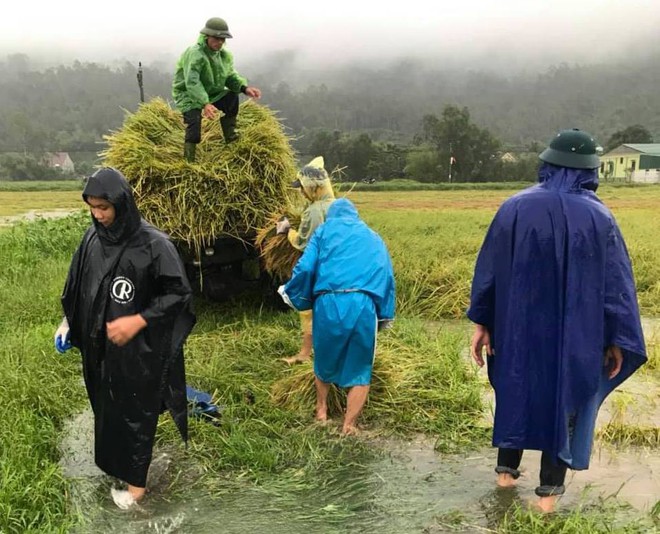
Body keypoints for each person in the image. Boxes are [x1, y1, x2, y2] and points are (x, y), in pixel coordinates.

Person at [467, 128, 647, 513]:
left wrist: (482, 322)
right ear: (590, 171)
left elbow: (489, 272)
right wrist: (618, 338)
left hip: (516, 330)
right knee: (566, 400)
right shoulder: (601, 218)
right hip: (578, 336)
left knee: (515, 389)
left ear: (546, 164)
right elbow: (616, 287)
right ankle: (547, 503)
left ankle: (503, 482)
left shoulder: (512, 208)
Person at [54, 167, 195, 509]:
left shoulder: (153, 245)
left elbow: (178, 294)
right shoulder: (92, 239)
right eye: (92, 207)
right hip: (99, 348)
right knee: (106, 407)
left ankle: (137, 492)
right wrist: (67, 322)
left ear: (122, 203)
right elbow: (78, 287)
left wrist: (139, 320)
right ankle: (116, 467)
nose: (98, 215)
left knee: (135, 411)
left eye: (104, 207)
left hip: (138, 351)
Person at [278, 198, 396, 435]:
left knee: (323, 358)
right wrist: (383, 314)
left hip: (328, 302)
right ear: (355, 215)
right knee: (361, 368)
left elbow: (306, 267)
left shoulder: (323, 232)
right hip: (363, 304)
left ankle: (321, 412)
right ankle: (348, 425)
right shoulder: (373, 237)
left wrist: (293, 292)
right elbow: (386, 275)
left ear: (332, 216)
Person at [172, 17, 262, 162]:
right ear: (207, 36)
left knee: (231, 97)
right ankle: (189, 161)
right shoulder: (195, 54)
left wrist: (244, 88)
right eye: (216, 38)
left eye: (223, 39)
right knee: (194, 123)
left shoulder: (223, 56)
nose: (219, 42)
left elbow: (229, 76)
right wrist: (205, 103)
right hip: (188, 94)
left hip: (212, 92)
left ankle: (231, 138)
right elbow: (192, 82)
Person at [276, 156, 336, 364]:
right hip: (339, 266)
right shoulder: (337, 205)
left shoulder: (314, 211)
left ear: (313, 187)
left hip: (319, 267)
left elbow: (303, 243)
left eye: (302, 188)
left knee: (309, 309)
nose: (301, 192)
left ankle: (305, 354)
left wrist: (287, 230)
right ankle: (327, 352)